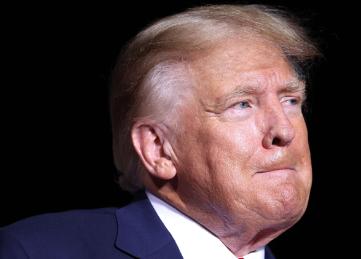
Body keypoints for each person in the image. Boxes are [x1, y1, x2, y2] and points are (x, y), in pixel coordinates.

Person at [0, 4, 318, 259]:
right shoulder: (36, 250)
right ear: (159, 149)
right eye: (242, 105)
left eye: (291, 100)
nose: (284, 130)